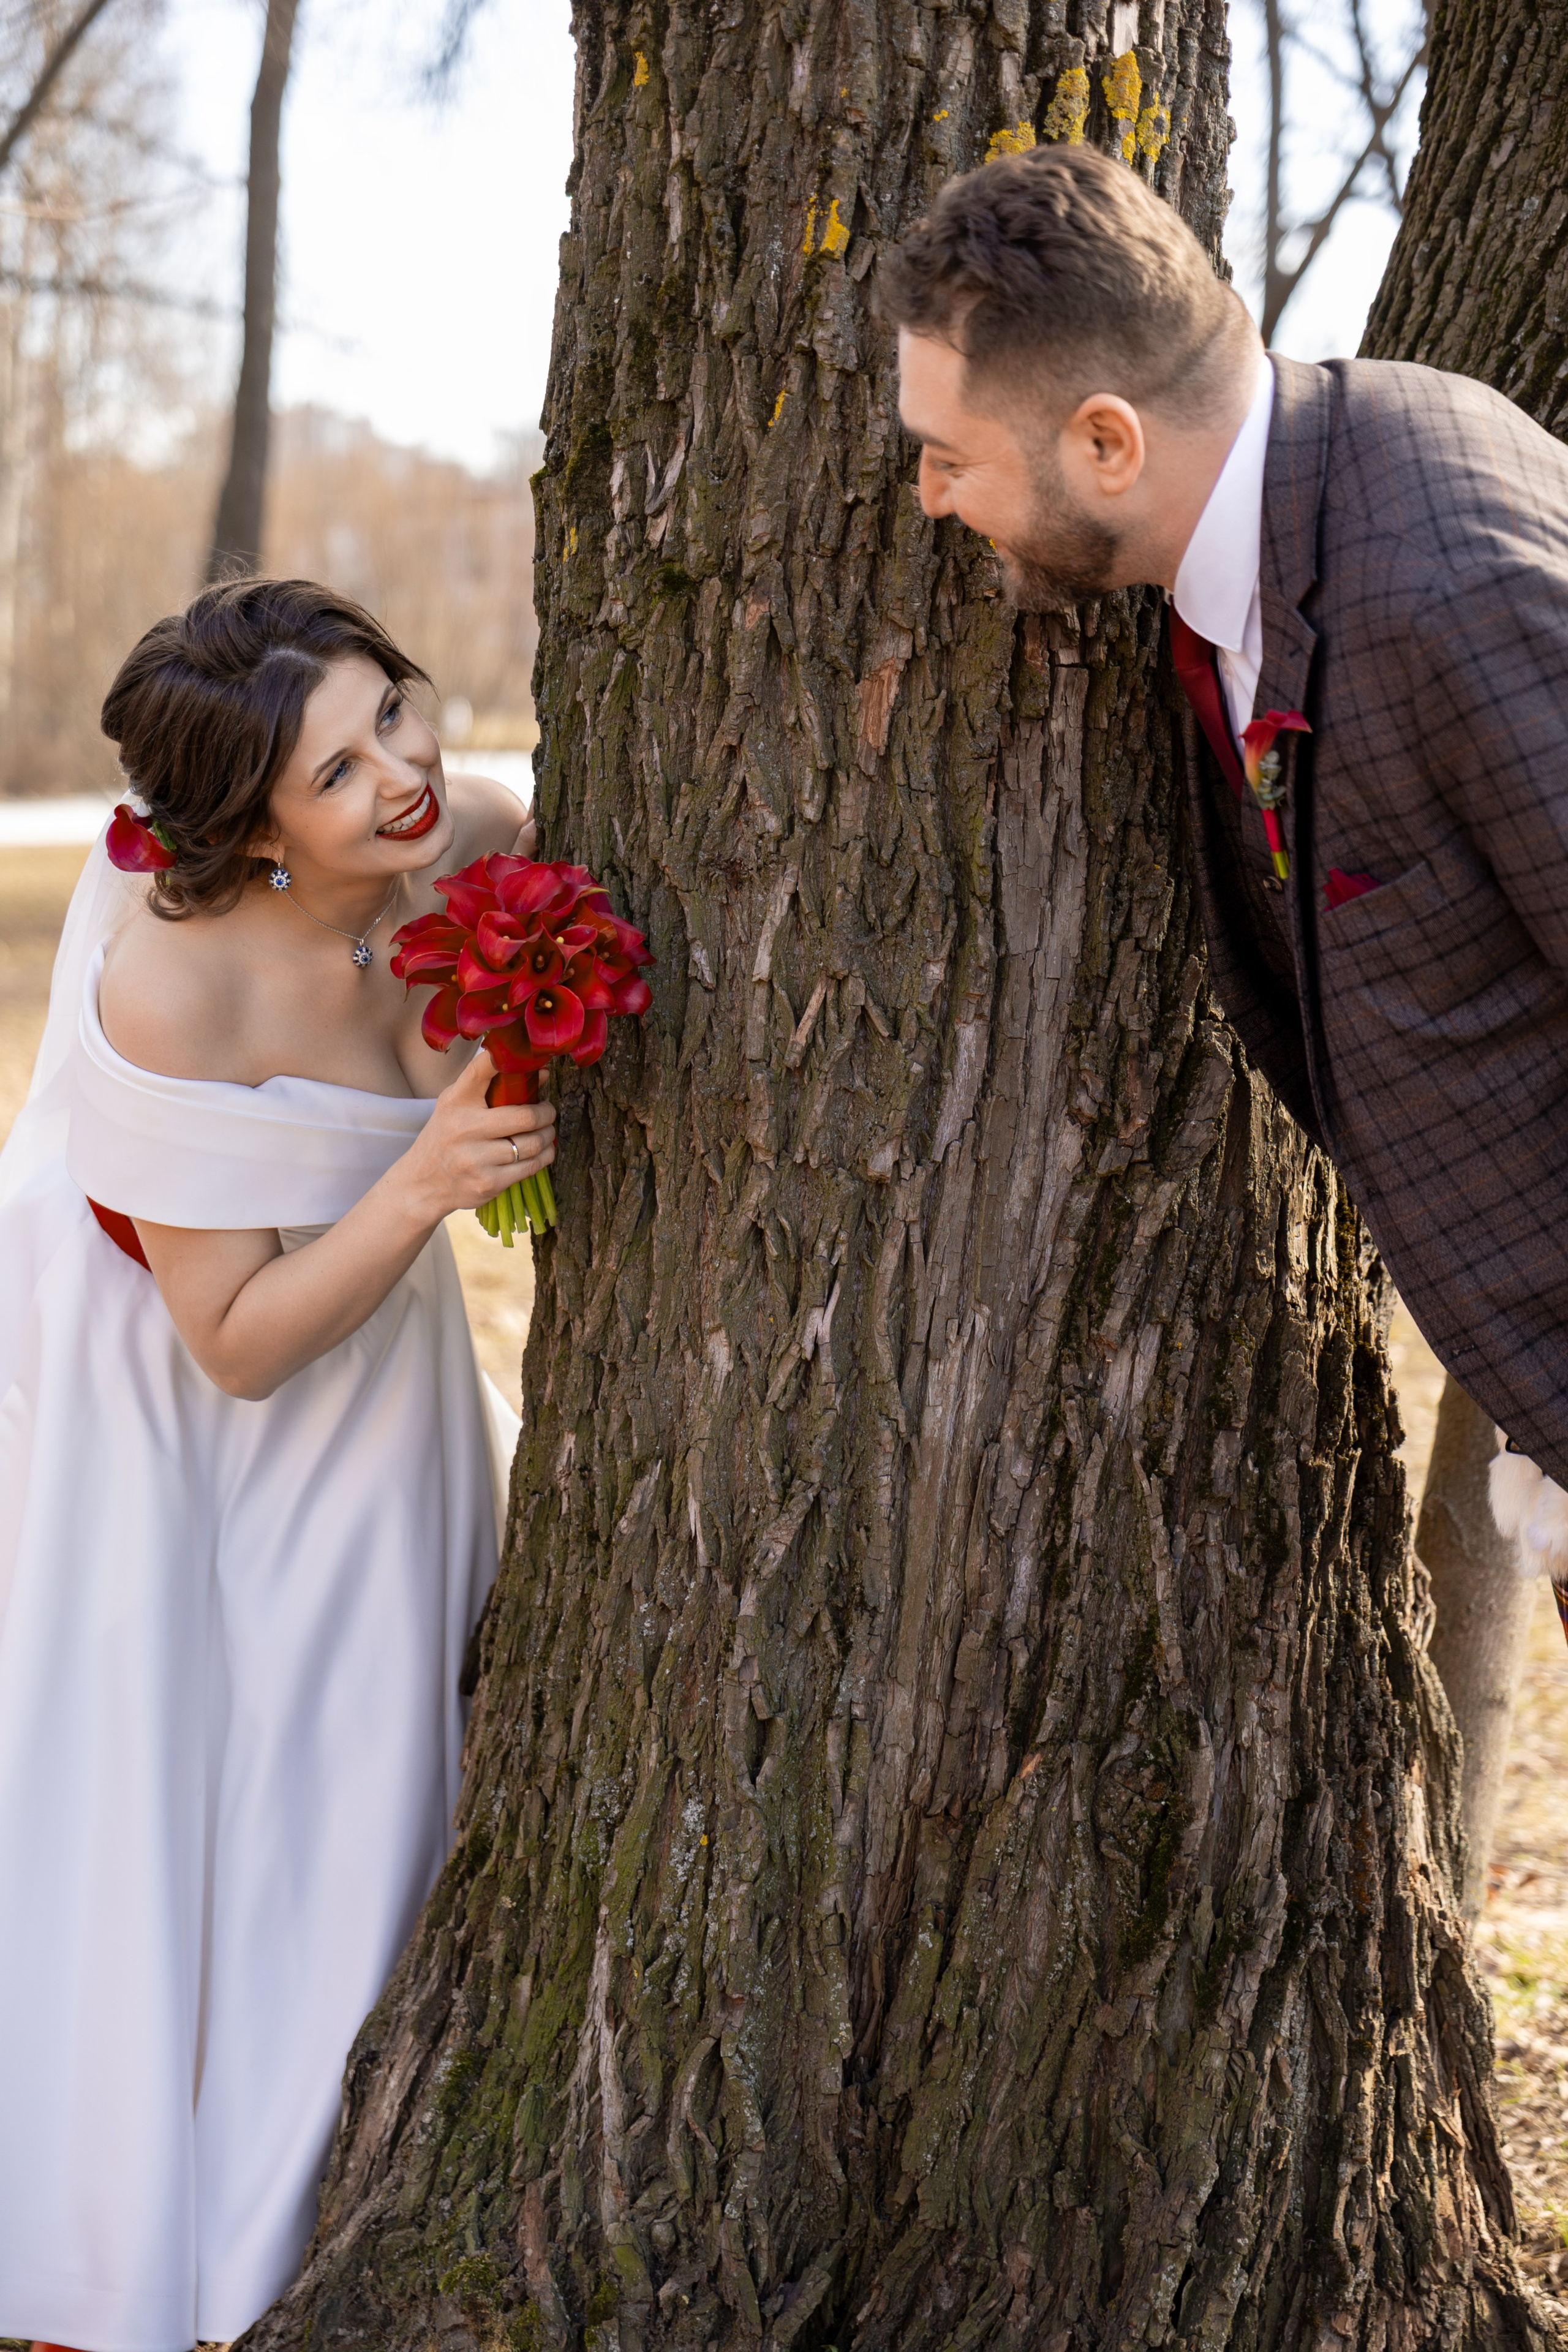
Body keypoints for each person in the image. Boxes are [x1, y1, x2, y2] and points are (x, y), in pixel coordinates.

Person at [881, 143, 1568, 1607]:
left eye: (950, 457)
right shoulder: (1258, 547)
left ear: (1105, 445)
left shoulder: (1439, 576)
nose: (932, 499)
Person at [0, 578, 556, 2352]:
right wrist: (423, 1182)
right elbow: (227, 1341)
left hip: (383, 1370)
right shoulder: (176, 990)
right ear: (246, 834)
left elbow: (495, 848)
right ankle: (223, 2244)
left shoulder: (464, 831)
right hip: (193, 1415)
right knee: (262, 1774)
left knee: (399, 1746)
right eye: (340, 773)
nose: (405, 774)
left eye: (394, 707)